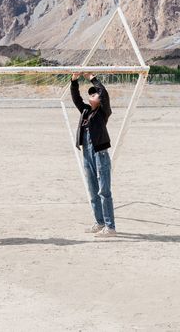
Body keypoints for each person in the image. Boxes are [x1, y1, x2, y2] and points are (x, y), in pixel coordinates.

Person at [71, 72, 116, 237]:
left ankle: (110, 227)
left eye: (94, 93)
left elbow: (104, 93)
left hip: (100, 153)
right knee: (92, 190)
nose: (93, 95)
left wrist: (92, 79)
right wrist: (74, 80)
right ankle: (100, 222)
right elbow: (76, 99)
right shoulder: (85, 111)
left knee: (104, 191)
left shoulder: (103, 112)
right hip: (87, 153)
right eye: (90, 93)